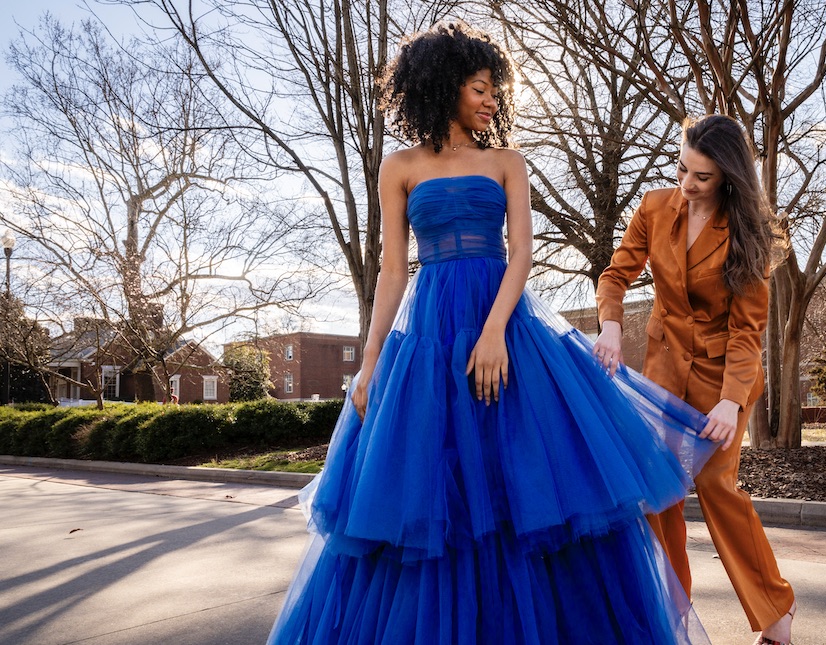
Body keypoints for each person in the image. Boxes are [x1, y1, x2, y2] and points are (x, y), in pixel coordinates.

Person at [266, 21, 718, 644]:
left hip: (506, 328)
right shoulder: (398, 168)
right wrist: (369, 365)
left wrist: (495, 332)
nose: (491, 101)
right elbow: (393, 271)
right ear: (444, 85)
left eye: (494, 90)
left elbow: (522, 257)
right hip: (429, 334)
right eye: (480, 87)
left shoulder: (507, 162)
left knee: (524, 482)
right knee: (433, 491)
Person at [594, 114, 797, 645]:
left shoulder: (753, 231)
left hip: (722, 378)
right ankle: (675, 616)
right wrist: (611, 326)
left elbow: (748, 331)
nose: (687, 184)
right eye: (682, 168)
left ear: (728, 176)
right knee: (658, 492)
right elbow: (616, 275)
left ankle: (777, 611)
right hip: (663, 372)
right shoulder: (656, 208)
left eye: (701, 177)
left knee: (713, 486)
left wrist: (731, 404)